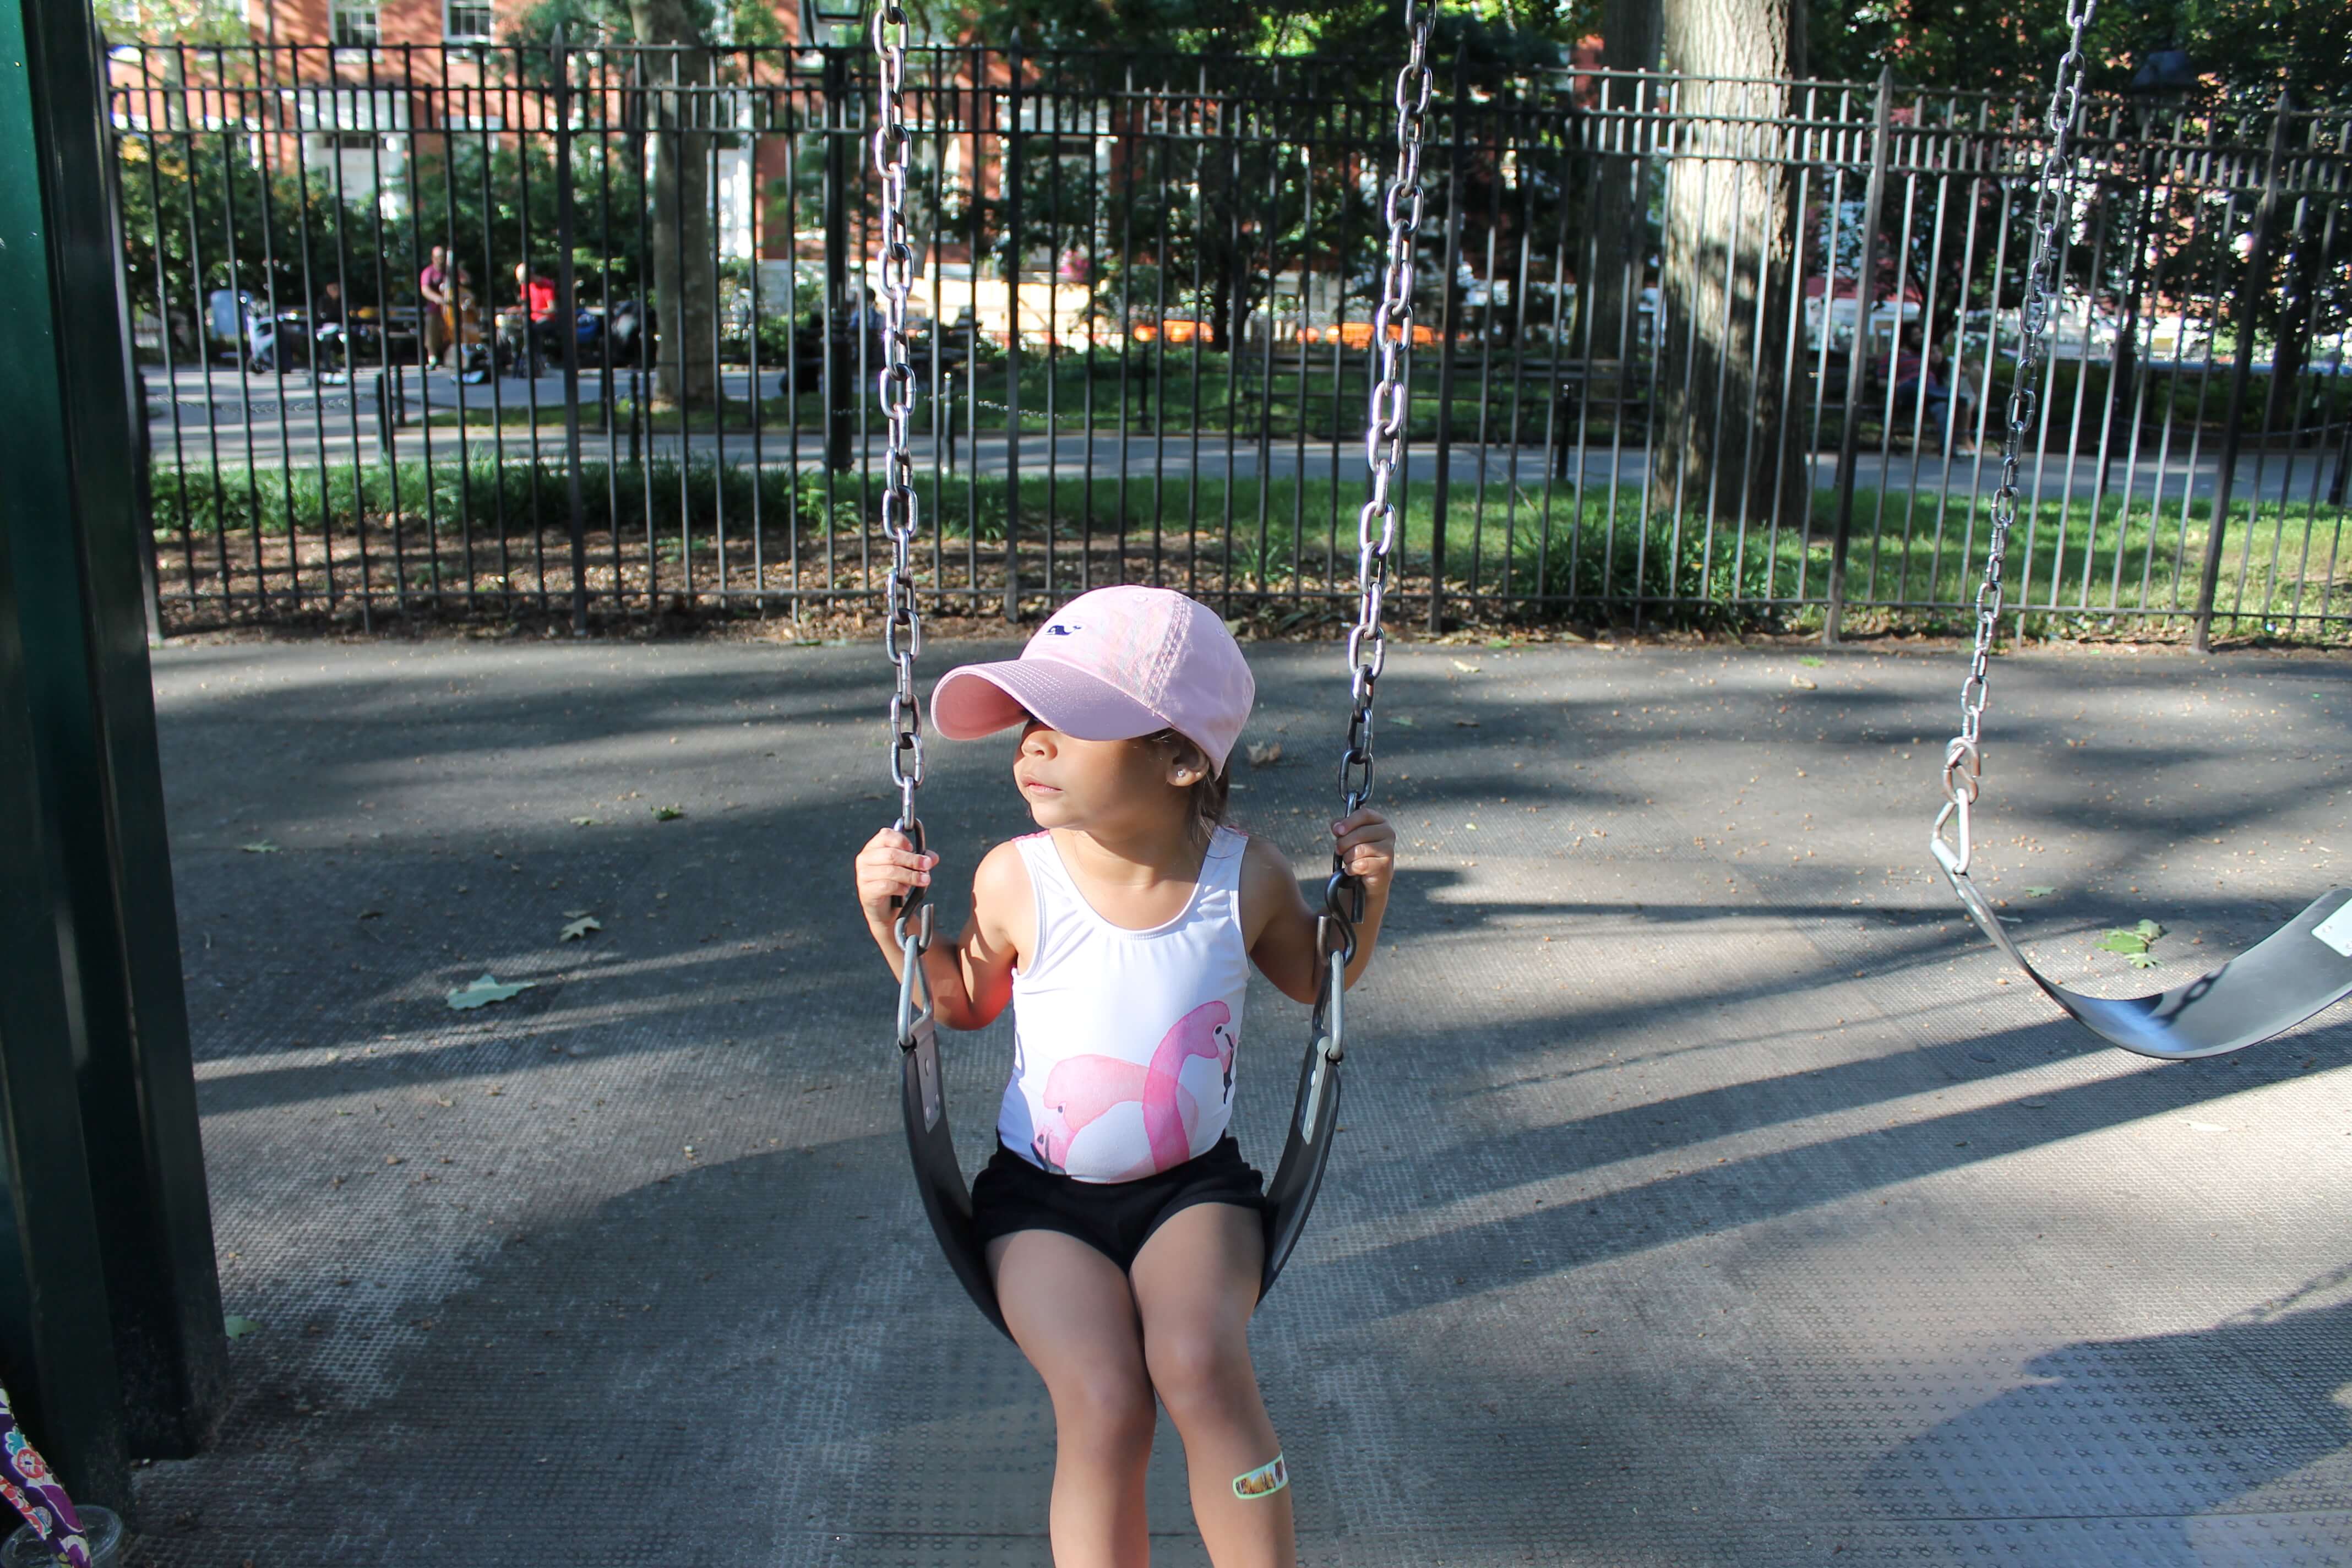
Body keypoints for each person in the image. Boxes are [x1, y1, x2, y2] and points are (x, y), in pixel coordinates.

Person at [852, 585, 1397, 1568]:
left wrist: (1367, 895)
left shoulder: (1249, 877)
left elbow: (1325, 980)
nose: (1031, 746)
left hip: (1194, 1195)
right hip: (1039, 1204)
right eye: (1027, 722)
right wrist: (890, 925)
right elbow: (963, 1000)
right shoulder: (1016, 877)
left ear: (1182, 757)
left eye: (1069, 725)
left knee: (1197, 1362)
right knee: (1103, 1398)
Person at [418, 246, 451, 368]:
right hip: (435, 309)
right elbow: (425, 290)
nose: (441, 260)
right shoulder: (429, 272)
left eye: (443, 257)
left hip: (451, 310)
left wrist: (455, 267)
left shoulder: (449, 271)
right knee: (431, 329)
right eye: (438, 257)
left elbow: (467, 280)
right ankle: (432, 358)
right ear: (433, 258)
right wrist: (438, 299)